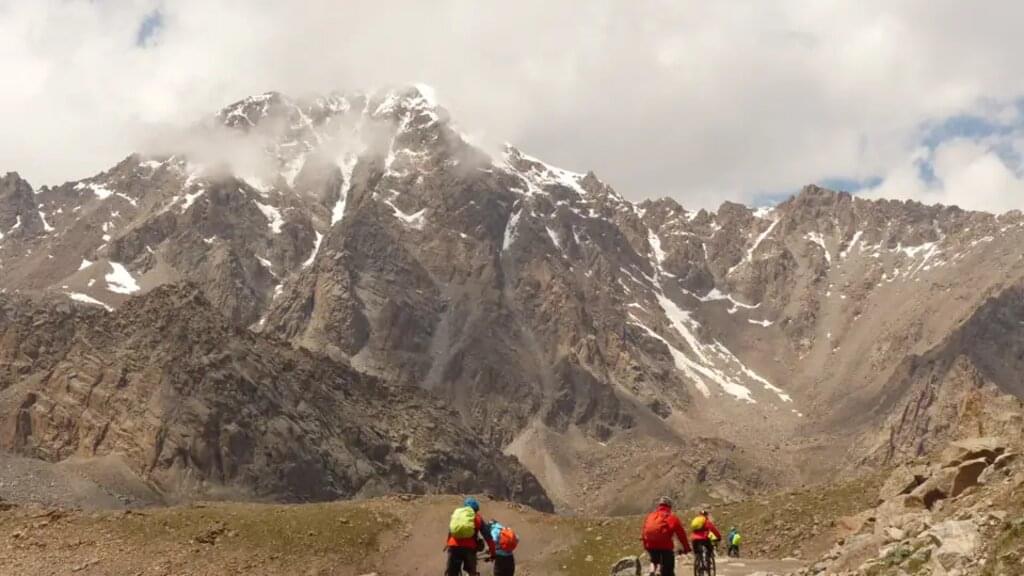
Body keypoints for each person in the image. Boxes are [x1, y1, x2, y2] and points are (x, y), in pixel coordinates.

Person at [641, 496, 691, 576]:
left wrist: (646, 546)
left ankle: (652, 570)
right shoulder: (672, 517)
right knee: (668, 570)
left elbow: (644, 532)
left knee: (654, 560)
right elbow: (681, 534)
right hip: (665, 547)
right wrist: (686, 548)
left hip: (651, 545)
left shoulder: (651, 516)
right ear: (669, 506)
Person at [446, 497, 495, 576]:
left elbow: (450, 531)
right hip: (469, 549)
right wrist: (493, 553)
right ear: (475, 509)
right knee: (471, 572)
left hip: (453, 547)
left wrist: (448, 544)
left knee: (451, 573)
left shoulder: (457, 516)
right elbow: (488, 537)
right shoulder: (477, 518)